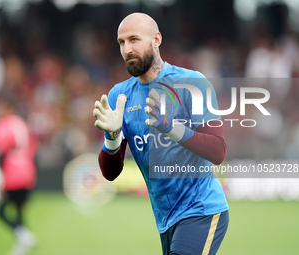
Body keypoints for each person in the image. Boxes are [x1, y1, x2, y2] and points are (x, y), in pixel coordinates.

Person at [93, 13, 229, 255]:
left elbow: (218, 151)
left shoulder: (192, 83)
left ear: (156, 40)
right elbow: (110, 174)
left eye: (134, 39)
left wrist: (169, 126)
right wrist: (112, 138)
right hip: (165, 220)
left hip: (202, 210)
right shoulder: (119, 96)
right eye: (121, 42)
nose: (127, 49)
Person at [0, 100, 38, 255]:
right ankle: (23, 241)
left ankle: (24, 236)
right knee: (19, 210)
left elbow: (2, 151)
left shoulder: (3, 125)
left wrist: (1, 178)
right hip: (26, 170)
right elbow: (32, 147)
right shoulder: (22, 124)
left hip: (13, 173)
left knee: (0, 211)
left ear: (7, 108)